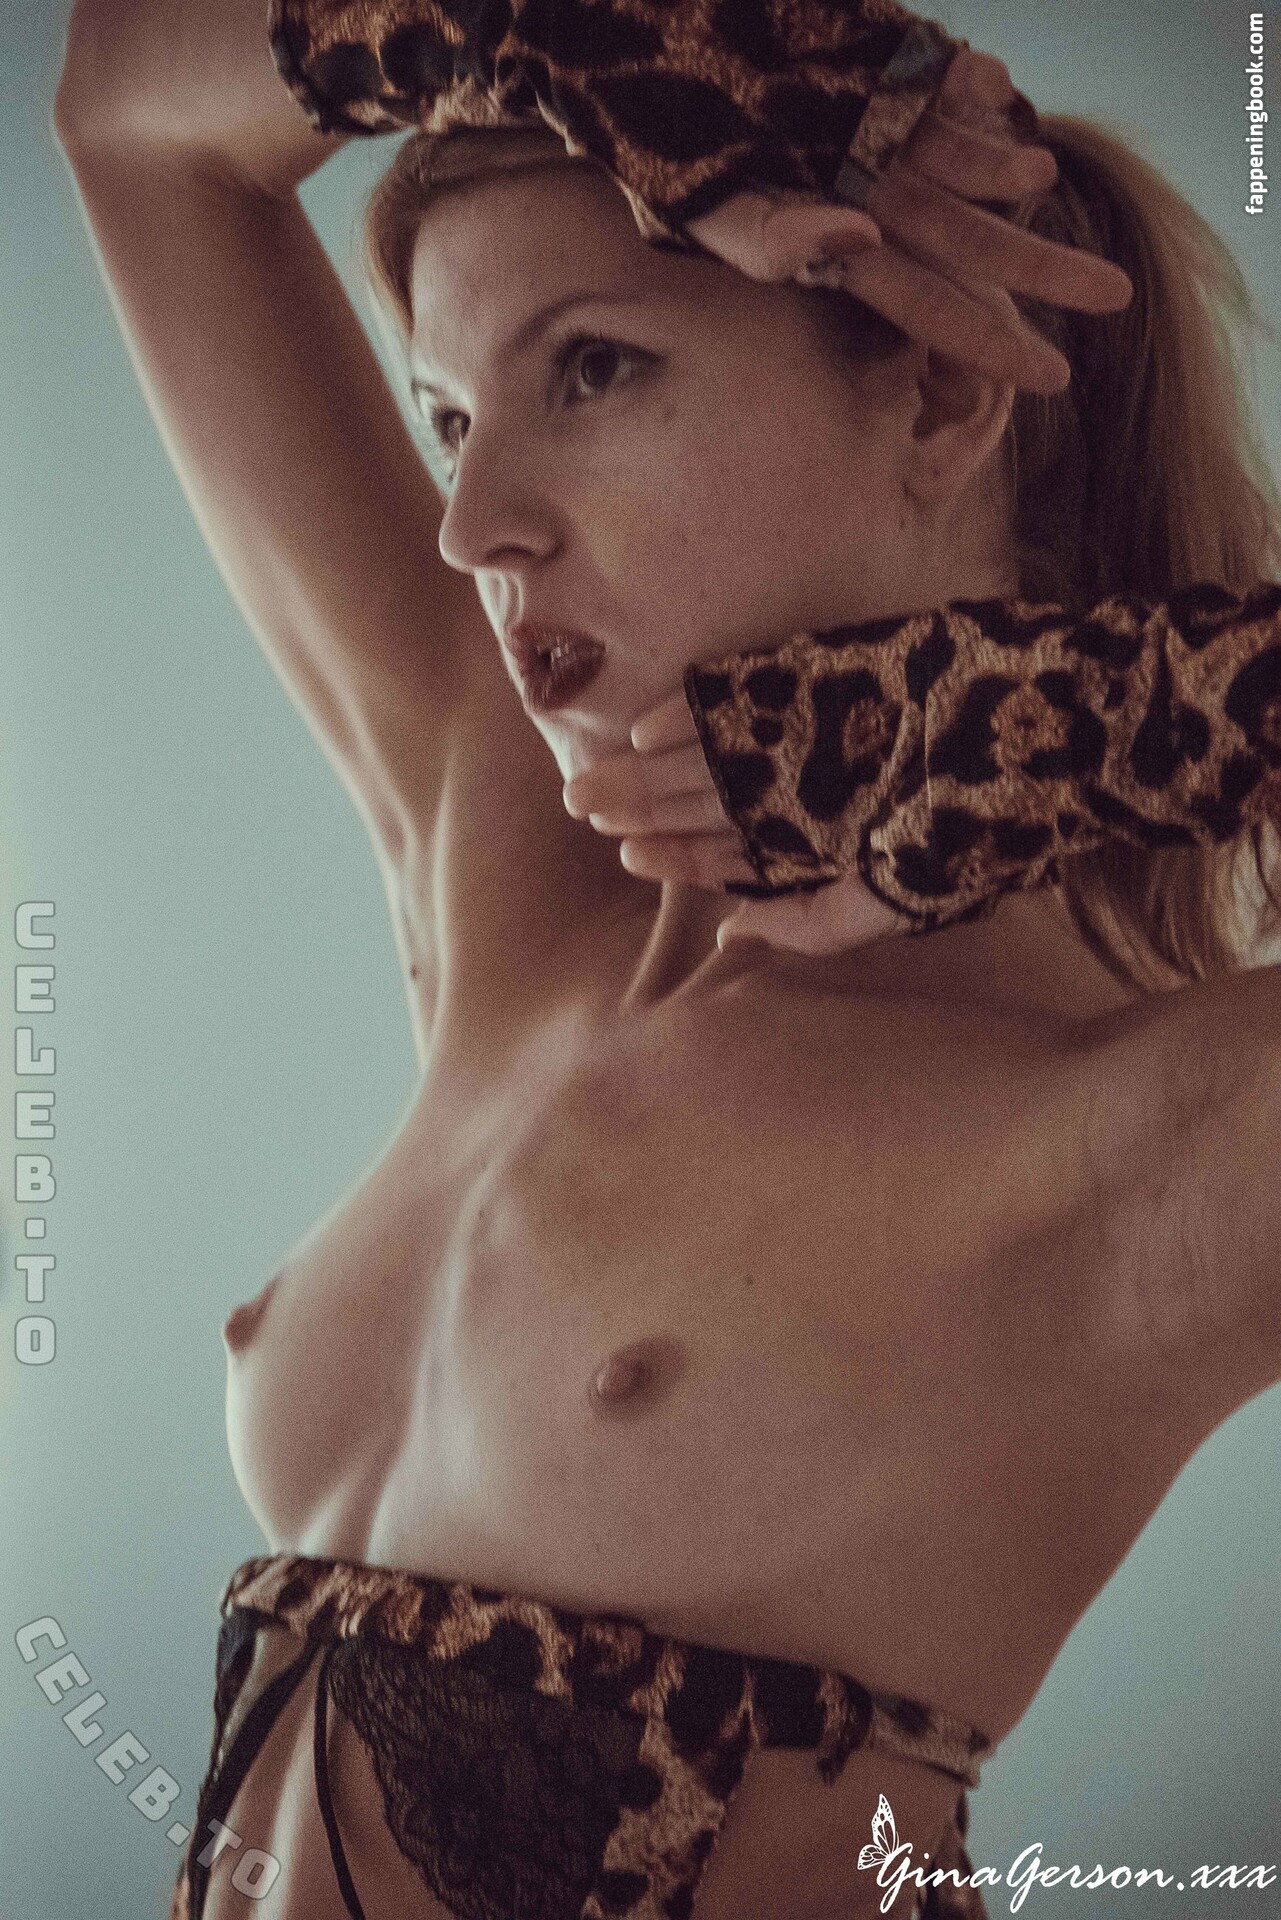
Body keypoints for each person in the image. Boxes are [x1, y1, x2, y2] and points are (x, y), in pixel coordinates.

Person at [51, 0, 1281, 1916]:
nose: (474, 525)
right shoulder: (506, 873)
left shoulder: (1140, 1142)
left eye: (594, 369)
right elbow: (133, 116)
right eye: (450, 417)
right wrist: (550, 33)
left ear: (940, 404)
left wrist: (1084, 717)